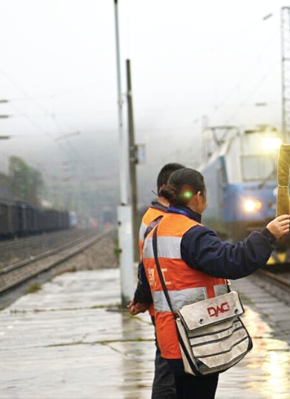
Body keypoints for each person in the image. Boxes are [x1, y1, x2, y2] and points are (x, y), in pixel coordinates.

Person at [142, 167, 290, 399]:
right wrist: (268, 235)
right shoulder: (192, 234)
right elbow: (231, 262)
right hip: (198, 338)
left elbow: (147, 275)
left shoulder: (153, 232)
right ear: (199, 197)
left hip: (169, 341)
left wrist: (139, 300)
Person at [128, 162, 184, 399]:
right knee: (167, 371)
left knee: (172, 370)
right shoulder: (158, 221)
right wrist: (141, 298)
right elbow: (149, 266)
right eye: (181, 187)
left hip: (166, 304)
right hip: (165, 308)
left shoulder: (157, 216)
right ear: (164, 188)